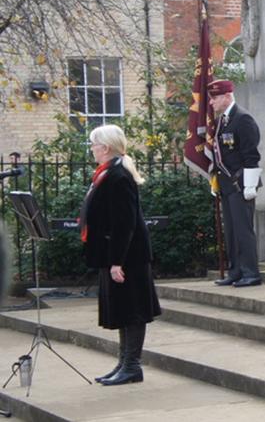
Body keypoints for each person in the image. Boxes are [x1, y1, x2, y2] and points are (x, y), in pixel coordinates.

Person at [80, 124, 161, 386]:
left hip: (128, 257)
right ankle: (123, 363)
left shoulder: (118, 176)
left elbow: (124, 224)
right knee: (123, 310)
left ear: (105, 147)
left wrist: (117, 261)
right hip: (115, 254)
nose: (92, 149)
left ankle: (132, 366)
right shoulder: (107, 173)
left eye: (94, 144)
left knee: (133, 310)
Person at [208, 80, 264, 287]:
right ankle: (236, 270)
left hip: (241, 184)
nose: (211, 102)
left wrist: (250, 185)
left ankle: (251, 272)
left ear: (227, 96)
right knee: (231, 231)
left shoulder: (243, 119)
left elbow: (251, 155)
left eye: (215, 98)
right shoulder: (223, 120)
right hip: (226, 184)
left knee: (243, 229)